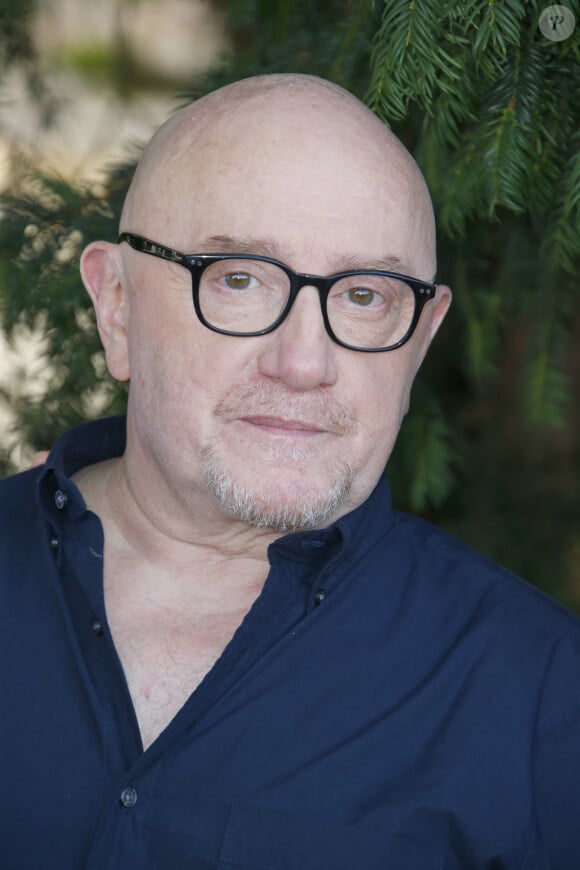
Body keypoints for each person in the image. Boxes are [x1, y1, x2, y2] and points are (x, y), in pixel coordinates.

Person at [1, 73, 579, 870]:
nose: (306, 363)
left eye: (367, 297)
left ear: (421, 340)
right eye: (239, 278)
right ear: (117, 307)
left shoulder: (545, 698)